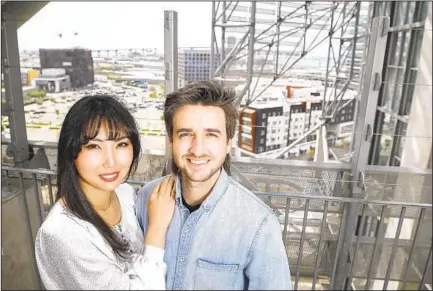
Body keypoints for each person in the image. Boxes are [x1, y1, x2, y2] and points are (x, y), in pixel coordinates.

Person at [136, 81, 292, 290]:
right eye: (185, 134)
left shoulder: (259, 223)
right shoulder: (146, 197)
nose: (197, 149)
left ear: (228, 143)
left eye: (211, 134)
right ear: (171, 141)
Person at [35, 95, 176, 290]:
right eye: (94, 146)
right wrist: (157, 229)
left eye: (121, 144)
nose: (110, 162)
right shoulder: (62, 234)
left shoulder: (124, 194)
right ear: (71, 152)